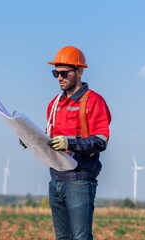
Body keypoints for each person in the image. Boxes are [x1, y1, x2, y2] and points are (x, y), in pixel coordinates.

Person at [46, 46, 111, 240]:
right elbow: (50, 137)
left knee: (81, 238)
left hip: (79, 181)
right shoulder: (54, 104)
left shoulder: (94, 102)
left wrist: (70, 143)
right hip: (56, 180)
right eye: (56, 73)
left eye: (64, 72)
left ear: (79, 71)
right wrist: (30, 139)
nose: (59, 77)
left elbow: (100, 141)